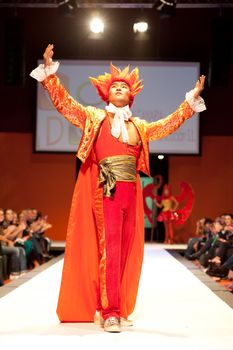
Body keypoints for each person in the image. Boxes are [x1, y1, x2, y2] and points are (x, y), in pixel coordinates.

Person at [30, 44, 206, 332]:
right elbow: (65, 103)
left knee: (125, 251)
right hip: (106, 190)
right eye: (115, 86)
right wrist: (50, 73)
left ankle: (116, 306)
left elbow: (170, 124)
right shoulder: (94, 118)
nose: (120, 88)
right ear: (106, 94)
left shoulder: (141, 126)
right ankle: (110, 312)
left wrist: (190, 103)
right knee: (109, 249)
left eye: (125, 86)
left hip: (131, 192)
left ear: (132, 95)